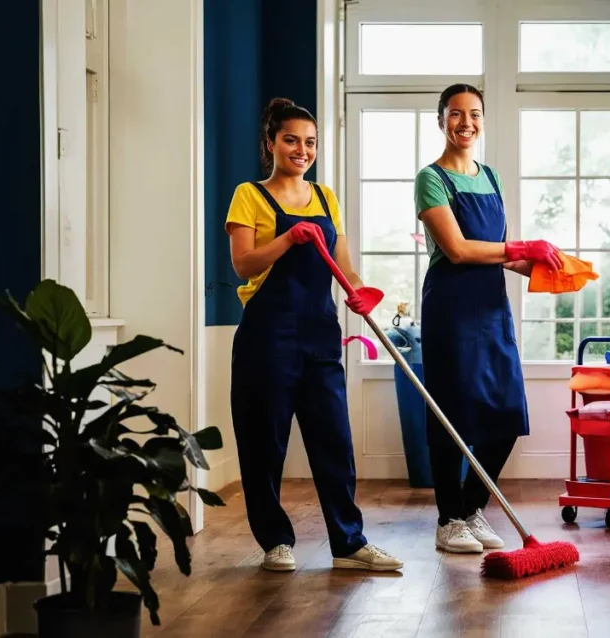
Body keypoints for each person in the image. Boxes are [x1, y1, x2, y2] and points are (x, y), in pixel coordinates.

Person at [225, 97, 403, 572]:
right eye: (291, 140)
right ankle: (275, 542)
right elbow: (242, 263)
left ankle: (349, 543)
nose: (301, 150)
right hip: (268, 335)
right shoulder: (250, 194)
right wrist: (287, 238)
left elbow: (343, 267)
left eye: (310, 142)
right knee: (265, 443)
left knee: (334, 440)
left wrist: (362, 292)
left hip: (321, 334)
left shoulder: (327, 199)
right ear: (271, 143)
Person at [413, 84, 564, 553]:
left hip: (493, 309)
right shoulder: (431, 178)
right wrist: (520, 248)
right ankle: (447, 521)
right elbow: (458, 249)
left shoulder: (491, 177)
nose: (466, 123)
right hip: (451, 309)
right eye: (455, 114)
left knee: (505, 412)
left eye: (474, 114)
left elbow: (502, 254)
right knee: (449, 416)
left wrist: (551, 267)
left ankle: (471, 507)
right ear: (441, 120)